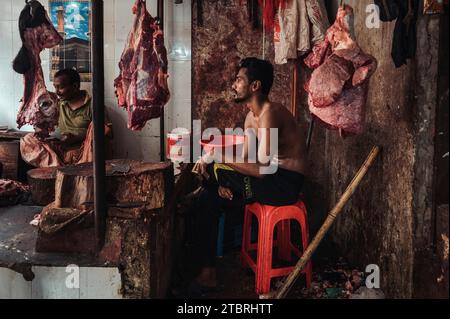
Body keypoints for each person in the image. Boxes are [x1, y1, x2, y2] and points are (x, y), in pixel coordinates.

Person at [190, 57, 308, 295]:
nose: (234, 85)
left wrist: (218, 158)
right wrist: (226, 176)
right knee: (207, 198)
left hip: (283, 184)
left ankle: (209, 189)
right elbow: (248, 162)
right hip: (267, 178)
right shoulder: (250, 118)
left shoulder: (270, 113)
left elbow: (263, 170)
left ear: (255, 86)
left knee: (214, 168)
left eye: (238, 80)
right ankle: (208, 274)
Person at [20, 69, 113, 168]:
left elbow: (109, 132)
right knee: (28, 139)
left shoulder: (93, 104)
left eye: (60, 87)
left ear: (75, 86)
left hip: (86, 154)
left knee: (96, 127)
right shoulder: (57, 104)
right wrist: (41, 127)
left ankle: (76, 169)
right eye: (55, 87)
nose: (57, 92)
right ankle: (59, 168)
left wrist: (78, 138)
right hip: (62, 152)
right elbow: (45, 126)